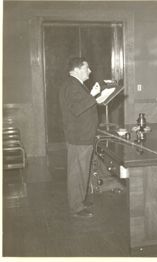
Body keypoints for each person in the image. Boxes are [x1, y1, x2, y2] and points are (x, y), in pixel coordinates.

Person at [60, 57, 115, 218]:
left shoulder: (74, 85)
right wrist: (93, 95)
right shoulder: (72, 86)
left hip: (82, 135)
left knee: (82, 170)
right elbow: (78, 108)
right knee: (78, 172)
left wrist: (95, 96)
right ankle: (76, 207)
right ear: (76, 70)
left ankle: (79, 201)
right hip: (79, 137)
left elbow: (82, 105)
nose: (90, 71)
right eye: (87, 68)